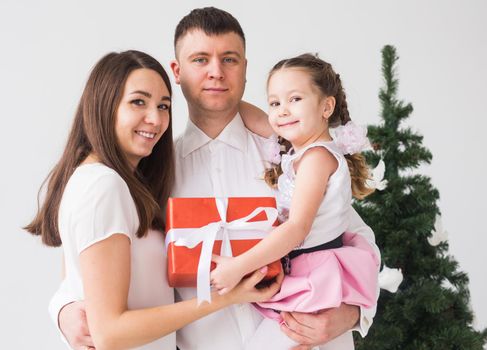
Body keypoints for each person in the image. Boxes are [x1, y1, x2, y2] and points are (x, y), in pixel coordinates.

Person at [53, 7, 380, 350]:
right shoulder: (152, 172)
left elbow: (357, 239)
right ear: (176, 72)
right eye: (199, 60)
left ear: (245, 69)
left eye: (229, 59)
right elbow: (95, 255)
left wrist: (353, 315)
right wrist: (62, 310)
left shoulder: (292, 155)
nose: (216, 73)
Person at [25, 50, 280, 350]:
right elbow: (110, 333)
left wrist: (62, 307)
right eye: (138, 102)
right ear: (104, 105)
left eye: (163, 106)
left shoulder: (116, 183)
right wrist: (227, 296)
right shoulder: (104, 186)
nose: (156, 118)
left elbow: (78, 279)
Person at [210, 53, 380, 349]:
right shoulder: (301, 150)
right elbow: (255, 118)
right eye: (275, 103)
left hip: (315, 274)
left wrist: (238, 266)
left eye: (295, 99)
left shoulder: (316, 159)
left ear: (327, 106)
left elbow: (297, 228)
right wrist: (221, 92)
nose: (282, 111)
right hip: (306, 270)